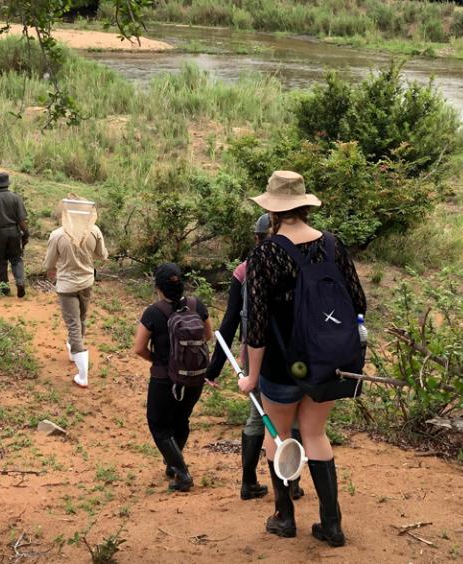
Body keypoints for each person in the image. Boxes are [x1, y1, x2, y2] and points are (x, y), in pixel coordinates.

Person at [238, 171, 366, 547]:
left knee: (277, 436)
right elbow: (358, 302)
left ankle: (284, 516)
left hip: (282, 363)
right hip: (325, 361)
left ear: (273, 210)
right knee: (314, 433)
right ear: (305, 206)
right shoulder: (332, 244)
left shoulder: (265, 254)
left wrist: (251, 376)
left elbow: (257, 328)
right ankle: (332, 524)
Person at [206, 214, 303, 501]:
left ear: (257, 238)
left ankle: (249, 482)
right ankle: (292, 482)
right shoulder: (297, 264)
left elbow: (230, 322)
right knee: (294, 419)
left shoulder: (245, 270)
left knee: (257, 417)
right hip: (296, 353)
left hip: (256, 354)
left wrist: (213, 368)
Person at [132, 263, 212, 492]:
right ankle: (174, 465)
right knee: (181, 421)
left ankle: (182, 472)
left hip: (165, 379)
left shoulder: (154, 312)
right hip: (194, 377)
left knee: (158, 425)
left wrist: (158, 360)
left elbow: (139, 348)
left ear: (158, 287)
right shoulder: (197, 305)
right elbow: (207, 335)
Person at [43, 197, 108, 388]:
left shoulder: (57, 235)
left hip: (66, 286)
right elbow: (102, 255)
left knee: (73, 324)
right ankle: (73, 351)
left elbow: (48, 264)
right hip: (87, 282)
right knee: (81, 318)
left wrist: (55, 271)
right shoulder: (94, 231)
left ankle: (83, 374)